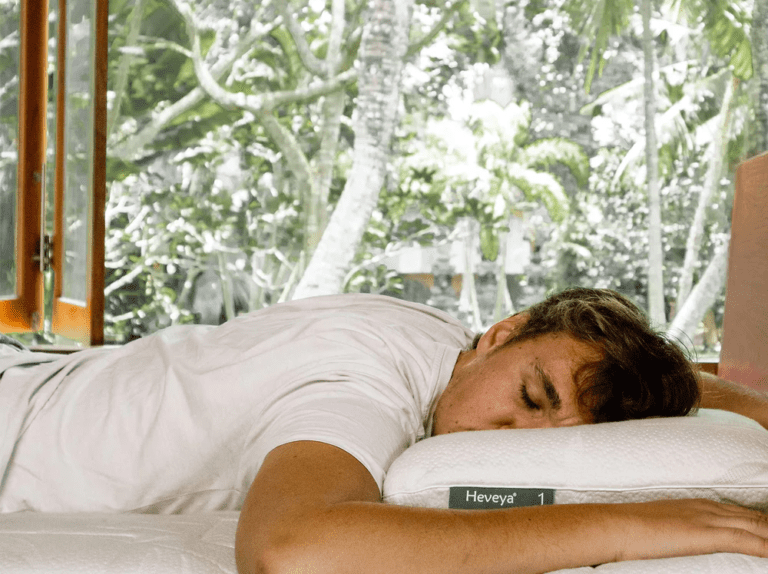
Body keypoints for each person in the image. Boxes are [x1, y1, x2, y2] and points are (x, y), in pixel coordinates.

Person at [1, 288, 767, 573]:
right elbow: (288, 548)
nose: (513, 436)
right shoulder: (363, 391)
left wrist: (751, 406)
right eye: (532, 400)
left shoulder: (448, 343)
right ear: (500, 335)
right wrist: (635, 524)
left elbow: (588, 384)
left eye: (554, 433)